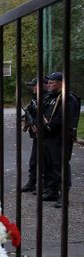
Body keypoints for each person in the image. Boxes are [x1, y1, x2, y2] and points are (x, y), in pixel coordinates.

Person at [40, 72, 81, 208]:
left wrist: (49, 125)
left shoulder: (68, 98)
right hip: (48, 136)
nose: (49, 85)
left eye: (52, 82)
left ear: (60, 83)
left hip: (59, 137)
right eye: (49, 82)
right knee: (49, 165)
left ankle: (63, 196)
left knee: (60, 166)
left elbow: (63, 118)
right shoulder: (51, 97)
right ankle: (52, 191)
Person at [21, 78, 47, 193]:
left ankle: (45, 185)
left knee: (45, 161)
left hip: (45, 134)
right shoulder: (35, 98)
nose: (32, 88)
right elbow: (29, 112)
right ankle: (32, 182)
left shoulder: (46, 98)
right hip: (36, 135)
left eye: (34, 86)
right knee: (34, 161)